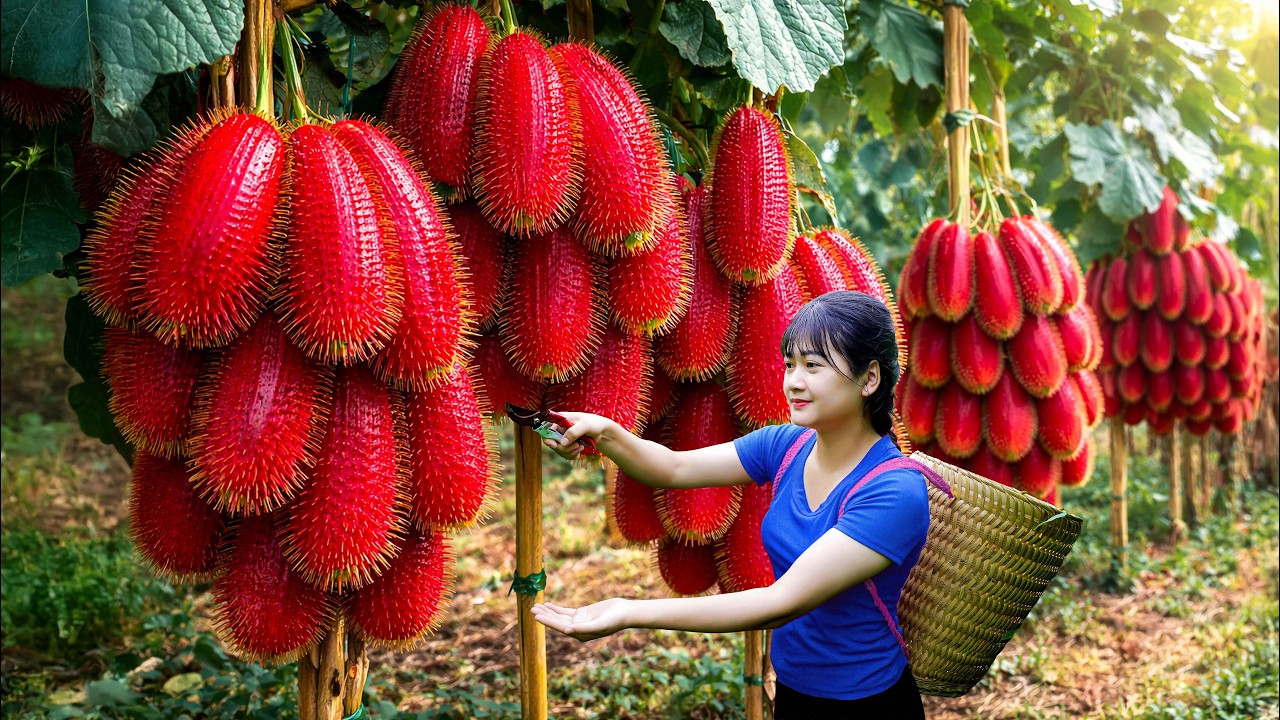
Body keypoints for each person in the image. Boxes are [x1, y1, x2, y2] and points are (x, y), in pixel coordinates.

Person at [532, 290, 930, 718]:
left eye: (813, 366)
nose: (793, 381)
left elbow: (782, 601)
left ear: (869, 379)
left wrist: (629, 612)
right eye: (790, 364)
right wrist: (605, 432)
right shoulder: (785, 446)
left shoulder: (894, 492)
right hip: (796, 693)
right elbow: (671, 469)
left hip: (867, 704)